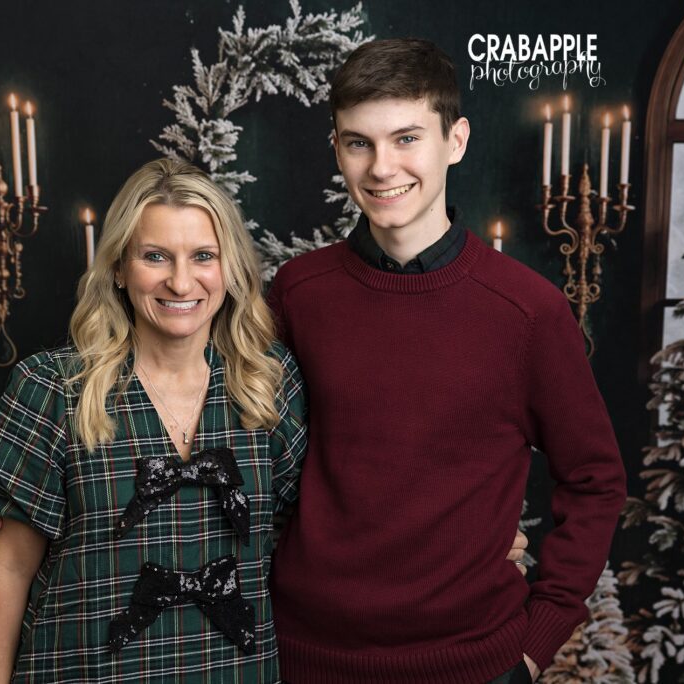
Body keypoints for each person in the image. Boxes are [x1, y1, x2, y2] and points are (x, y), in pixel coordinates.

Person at [265, 38, 628, 684]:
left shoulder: (527, 311)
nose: (381, 168)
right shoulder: (297, 293)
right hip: (309, 659)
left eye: (406, 139)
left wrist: (535, 641)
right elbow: (251, 460)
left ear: (455, 140)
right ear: (336, 149)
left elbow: (596, 479)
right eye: (358, 143)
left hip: (475, 664)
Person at [0, 158, 308, 682]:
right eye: (155, 256)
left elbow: (304, 543)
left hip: (234, 671)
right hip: (81, 668)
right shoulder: (54, 388)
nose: (181, 281)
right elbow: (8, 568)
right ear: (119, 267)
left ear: (229, 269)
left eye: (203, 256)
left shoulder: (270, 385)